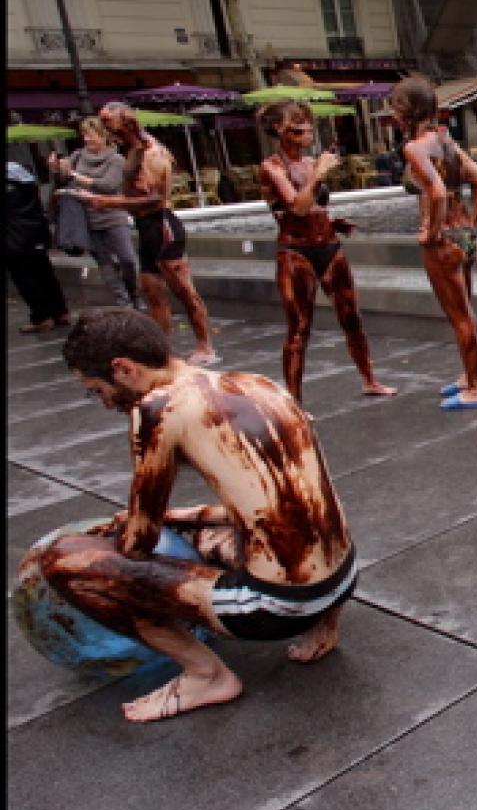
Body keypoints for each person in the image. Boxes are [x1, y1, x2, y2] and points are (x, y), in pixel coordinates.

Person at [28, 307, 358, 723]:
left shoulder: (158, 409)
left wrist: (123, 533)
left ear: (123, 368)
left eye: (97, 390)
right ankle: (326, 626)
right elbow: (280, 505)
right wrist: (181, 517)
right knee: (232, 523)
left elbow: (138, 544)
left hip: (276, 608)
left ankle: (206, 674)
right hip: (342, 577)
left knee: (65, 561)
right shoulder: (255, 383)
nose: (104, 403)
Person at [255, 99, 396, 402]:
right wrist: (318, 173)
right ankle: (294, 400)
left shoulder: (308, 163)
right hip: (295, 253)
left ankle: (369, 380)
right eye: (298, 127)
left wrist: (331, 221)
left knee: (352, 318)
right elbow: (297, 207)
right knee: (299, 328)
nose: (307, 132)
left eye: (308, 126)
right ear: (279, 130)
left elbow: (314, 208)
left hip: (329, 246)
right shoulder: (272, 167)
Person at [80, 102, 218, 365]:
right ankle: (162, 351)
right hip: (146, 227)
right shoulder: (132, 149)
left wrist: (110, 203)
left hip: (162, 225)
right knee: (153, 291)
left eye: (108, 123)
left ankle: (205, 346)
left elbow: (156, 199)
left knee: (184, 291)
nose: (105, 128)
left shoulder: (152, 152)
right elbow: (136, 193)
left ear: (126, 122)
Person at [388, 77, 477, 410]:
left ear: (405, 110)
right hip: (464, 236)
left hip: (444, 241)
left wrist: (432, 232)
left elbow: (435, 192)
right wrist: (472, 223)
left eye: (394, 108)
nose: (392, 116)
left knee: (459, 316)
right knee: (466, 312)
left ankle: (476, 387)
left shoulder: (415, 147)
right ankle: (468, 376)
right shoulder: (446, 141)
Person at [48, 116, 144, 311]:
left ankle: (134, 294)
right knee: (104, 261)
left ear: (104, 135)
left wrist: (77, 177)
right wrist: (57, 170)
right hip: (86, 218)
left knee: (127, 258)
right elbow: (63, 182)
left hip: (112, 215)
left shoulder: (116, 159)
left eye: (91, 135)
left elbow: (109, 185)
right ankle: (123, 302)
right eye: (84, 135)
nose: (87, 139)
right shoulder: (76, 156)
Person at [6, 161, 72, 333]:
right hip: (36, 231)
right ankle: (60, 311)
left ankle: (42, 316)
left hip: (14, 237)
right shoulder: (24, 176)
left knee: (25, 278)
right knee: (45, 273)